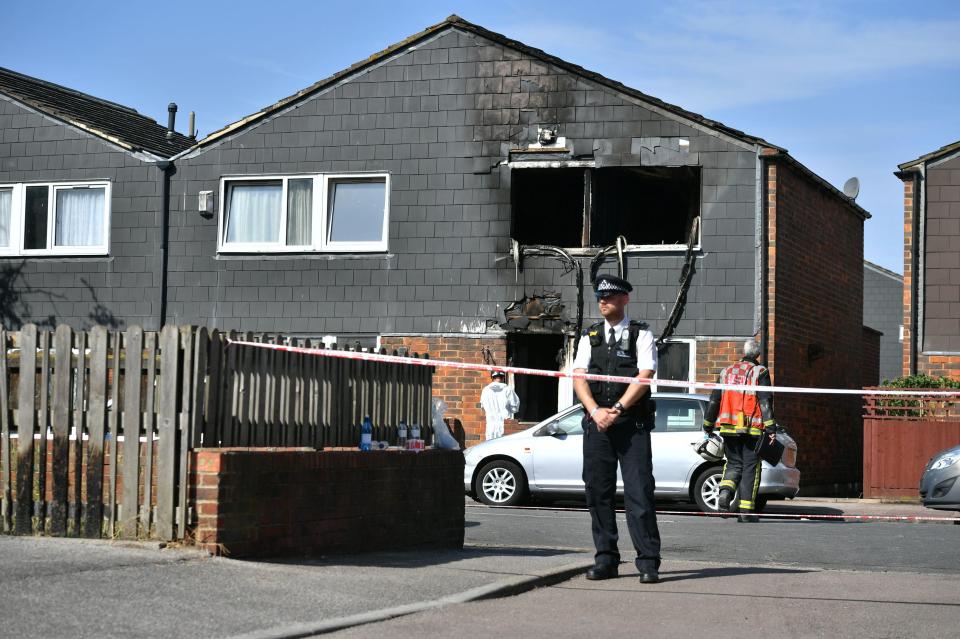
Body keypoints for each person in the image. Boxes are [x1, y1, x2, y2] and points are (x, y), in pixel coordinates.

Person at [572, 274, 661, 584]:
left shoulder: (641, 335)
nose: (603, 301)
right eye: (600, 296)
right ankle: (606, 559)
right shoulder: (589, 336)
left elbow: (645, 373)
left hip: (631, 424)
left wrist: (619, 408)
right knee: (598, 492)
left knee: (639, 493)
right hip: (597, 424)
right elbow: (579, 377)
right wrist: (595, 410)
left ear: (625, 299)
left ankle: (648, 561)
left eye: (610, 296)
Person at [701, 339, 777, 523]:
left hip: (728, 428)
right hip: (752, 430)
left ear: (743, 352)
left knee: (733, 464)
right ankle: (746, 512)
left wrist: (707, 425)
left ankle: (725, 494)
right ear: (757, 354)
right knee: (751, 468)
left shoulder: (726, 372)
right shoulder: (760, 372)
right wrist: (771, 427)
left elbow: (713, 401)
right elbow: (765, 401)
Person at [480, 370, 520, 440]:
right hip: (504, 425)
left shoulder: (485, 390)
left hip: (490, 425)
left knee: (489, 448)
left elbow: (483, 407)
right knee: (503, 449)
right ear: (503, 377)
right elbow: (515, 408)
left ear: (492, 378)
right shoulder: (508, 389)